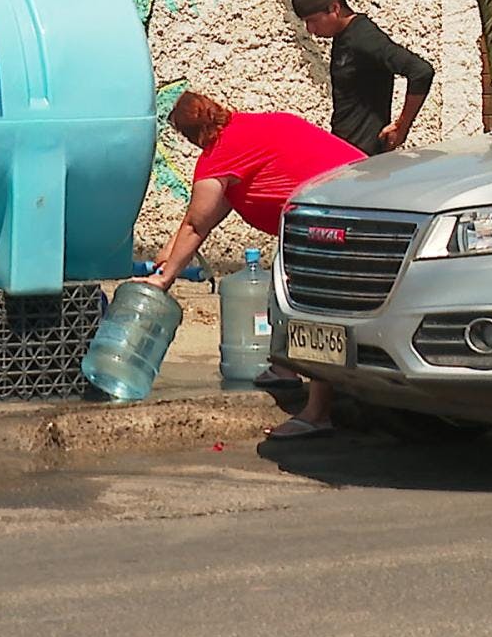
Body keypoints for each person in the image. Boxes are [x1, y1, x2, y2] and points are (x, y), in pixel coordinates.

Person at [141, 90, 365, 439]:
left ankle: (317, 414)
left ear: (191, 135)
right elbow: (200, 218)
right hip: (367, 200)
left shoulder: (218, 156)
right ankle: (283, 368)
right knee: (283, 285)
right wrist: (168, 253)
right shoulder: (254, 130)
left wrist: (164, 278)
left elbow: (197, 226)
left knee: (314, 309)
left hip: (333, 220)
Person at [291, 0, 436, 156]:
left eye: (312, 20)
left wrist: (401, 126)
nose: (310, 29)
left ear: (334, 8)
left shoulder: (364, 37)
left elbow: (420, 71)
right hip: (346, 154)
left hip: (365, 161)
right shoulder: (343, 36)